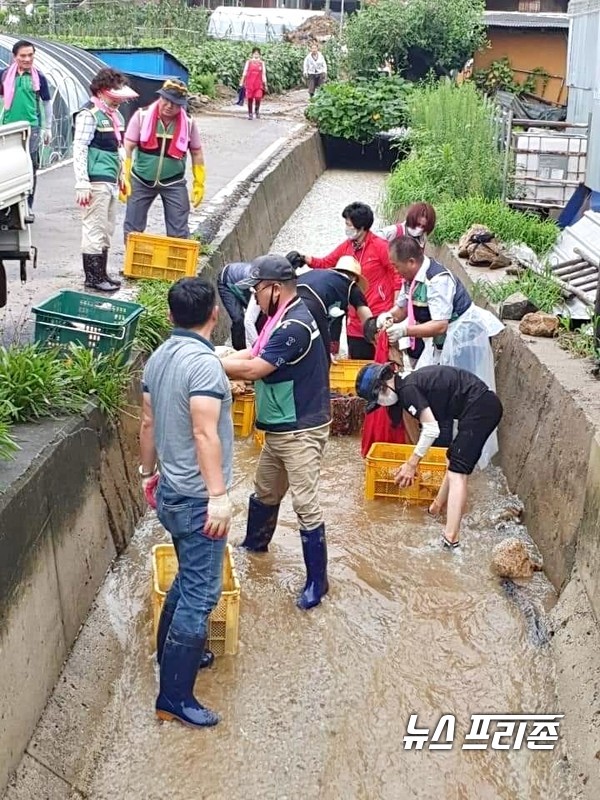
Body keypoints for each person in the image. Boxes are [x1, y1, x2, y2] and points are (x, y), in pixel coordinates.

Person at [140, 277, 233, 729]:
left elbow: (147, 422)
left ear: (172, 315)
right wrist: (218, 496)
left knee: (187, 579)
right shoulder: (205, 365)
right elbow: (203, 432)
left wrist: (147, 472)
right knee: (201, 593)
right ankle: (174, 697)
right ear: (214, 313)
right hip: (198, 499)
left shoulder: (158, 358)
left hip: (171, 495)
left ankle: (169, 658)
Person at [223, 255, 330, 610]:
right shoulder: (278, 320)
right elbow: (250, 353)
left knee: (305, 504)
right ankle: (256, 546)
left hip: (300, 429)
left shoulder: (294, 327)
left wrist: (206, 363)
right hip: (281, 425)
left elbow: (254, 369)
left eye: (256, 290)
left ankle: (318, 581)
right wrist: (215, 357)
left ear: (274, 288)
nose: (253, 297)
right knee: (266, 490)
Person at [379, 236, 503, 457]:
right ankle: (438, 446)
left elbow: (440, 325)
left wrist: (405, 330)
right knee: (432, 390)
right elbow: (401, 306)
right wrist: (389, 317)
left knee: (457, 393)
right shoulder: (411, 278)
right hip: (439, 342)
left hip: (462, 338)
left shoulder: (437, 280)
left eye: (396, 266)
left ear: (411, 262)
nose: (395, 271)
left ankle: (454, 449)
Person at [356, 362, 503, 548]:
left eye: (377, 400)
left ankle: (451, 539)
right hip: (481, 406)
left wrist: (411, 464)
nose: (380, 404)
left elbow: (431, 430)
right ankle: (435, 508)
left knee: (458, 473)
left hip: (481, 408)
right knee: (453, 460)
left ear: (382, 388)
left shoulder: (408, 389)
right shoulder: (407, 385)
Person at [293, 202, 401, 360]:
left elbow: (396, 274)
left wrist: (395, 306)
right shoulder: (347, 248)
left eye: (349, 225)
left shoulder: (380, 247)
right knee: (357, 364)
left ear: (362, 227)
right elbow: (325, 263)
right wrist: (304, 258)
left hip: (378, 315)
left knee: (382, 362)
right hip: (354, 321)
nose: (346, 228)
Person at [73, 68, 138, 292]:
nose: (118, 102)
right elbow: (80, 148)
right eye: (114, 96)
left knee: (106, 228)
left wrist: (121, 175)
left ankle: (102, 273)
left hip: (110, 180)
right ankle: (92, 277)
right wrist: (82, 182)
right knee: (94, 228)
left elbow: (116, 149)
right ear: (101, 92)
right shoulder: (89, 115)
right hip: (95, 181)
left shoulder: (111, 116)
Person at [122, 78, 205, 240]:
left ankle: (176, 263)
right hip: (141, 179)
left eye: (175, 103)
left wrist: (199, 182)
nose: (169, 106)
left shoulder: (188, 123)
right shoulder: (142, 116)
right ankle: (134, 263)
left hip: (173, 182)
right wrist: (124, 175)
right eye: (166, 100)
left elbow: (196, 152)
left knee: (179, 232)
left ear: (181, 104)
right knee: (133, 228)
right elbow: (128, 145)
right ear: (160, 97)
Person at [0, 39, 53, 218]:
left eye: (30, 55)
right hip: (8, 128)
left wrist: (48, 127)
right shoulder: (5, 76)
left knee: (30, 166)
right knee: (8, 167)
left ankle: (27, 206)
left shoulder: (39, 78)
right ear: (14, 57)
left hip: (32, 128)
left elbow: (46, 103)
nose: (27, 59)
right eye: (23, 55)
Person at [289, 253, 376, 358]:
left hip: (290, 303)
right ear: (354, 278)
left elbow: (336, 322)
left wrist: (333, 350)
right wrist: (378, 342)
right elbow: (369, 322)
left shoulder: (319, 276)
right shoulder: (350, 285)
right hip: (313, 308)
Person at [217, 261, 265, 350]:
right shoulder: (255, 281)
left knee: (260, 315)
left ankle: (263, 346)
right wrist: (257, 348)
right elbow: (249, 320)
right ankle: (239, 351)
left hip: (240, 283)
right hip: (226, 283)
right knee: (238, 319)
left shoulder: (266, 280)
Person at [240, 48, 267, 120]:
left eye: (257, 54)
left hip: (258, 84)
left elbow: (264, 74)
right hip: (249, 83)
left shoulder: (262, 63)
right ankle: (250, 113)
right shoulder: (248, 62)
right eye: (255, 53)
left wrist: (265, 83)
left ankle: (257, 111)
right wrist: (241, 82)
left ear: (260, 55)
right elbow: (244, 72)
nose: (256, 55)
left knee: (258, 97)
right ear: (252, 54)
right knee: (250, 98)